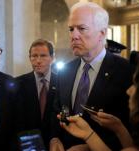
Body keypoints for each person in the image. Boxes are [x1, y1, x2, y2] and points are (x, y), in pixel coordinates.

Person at [49, 2, 133, 151]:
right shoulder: (65, 71)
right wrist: (54, 138)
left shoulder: (126, 71)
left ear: (102, 33)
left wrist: (90, 147)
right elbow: (57, 112)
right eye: (71, 29)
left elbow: (132, 127)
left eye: (81, 28)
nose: (74, 35)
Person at [58, 55, 139, 151]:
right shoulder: (68, 69)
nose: (129, 91)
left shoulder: (124, 68)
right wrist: (119, 128)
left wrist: (88, 135)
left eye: (136, 85)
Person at [16, 39, 56, 149]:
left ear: (52, 58)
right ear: (30, 58)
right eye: (34, 56)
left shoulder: (63, 83)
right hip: (28, 145)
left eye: (43, 56)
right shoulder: (18, 84)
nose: (38, 60)